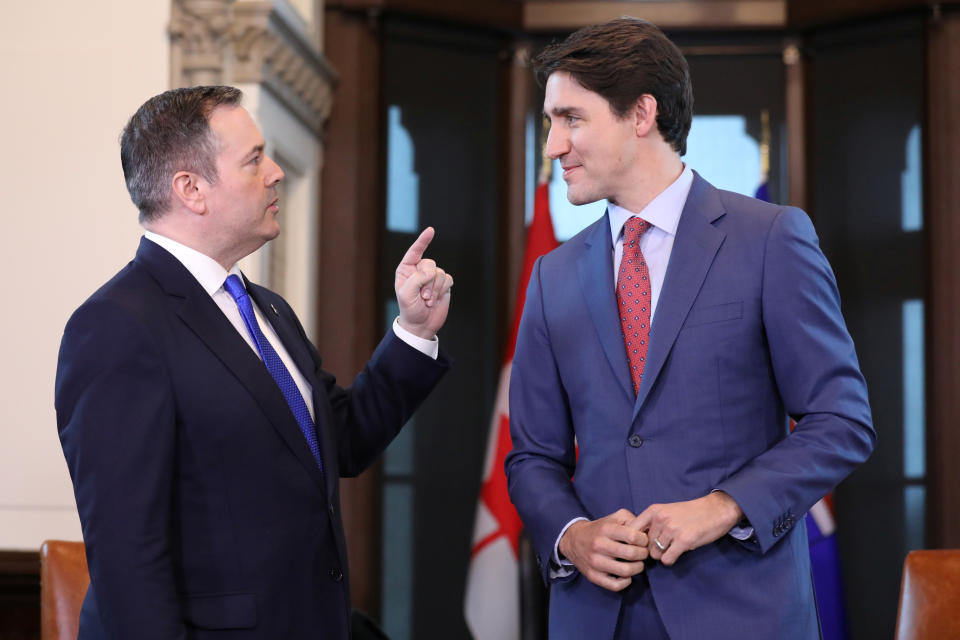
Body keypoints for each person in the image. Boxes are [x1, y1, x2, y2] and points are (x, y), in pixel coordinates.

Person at [505, 18, 875, 640]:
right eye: (550, 122)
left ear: (641, 113)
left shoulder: (771, 239)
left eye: (571, 119)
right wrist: (574, 535)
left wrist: (723, 507)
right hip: (598, 618)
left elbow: (841, 421)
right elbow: (532, 458)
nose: (552, 145)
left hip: (742, 613)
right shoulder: (552, 277)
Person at [55, 85, 453, 639]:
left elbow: (344, 438)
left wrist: (413, 331)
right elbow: (127, 552)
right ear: (191, 189)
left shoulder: (267, 310)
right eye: (253, 159)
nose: (276, 172)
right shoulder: (116, 326)